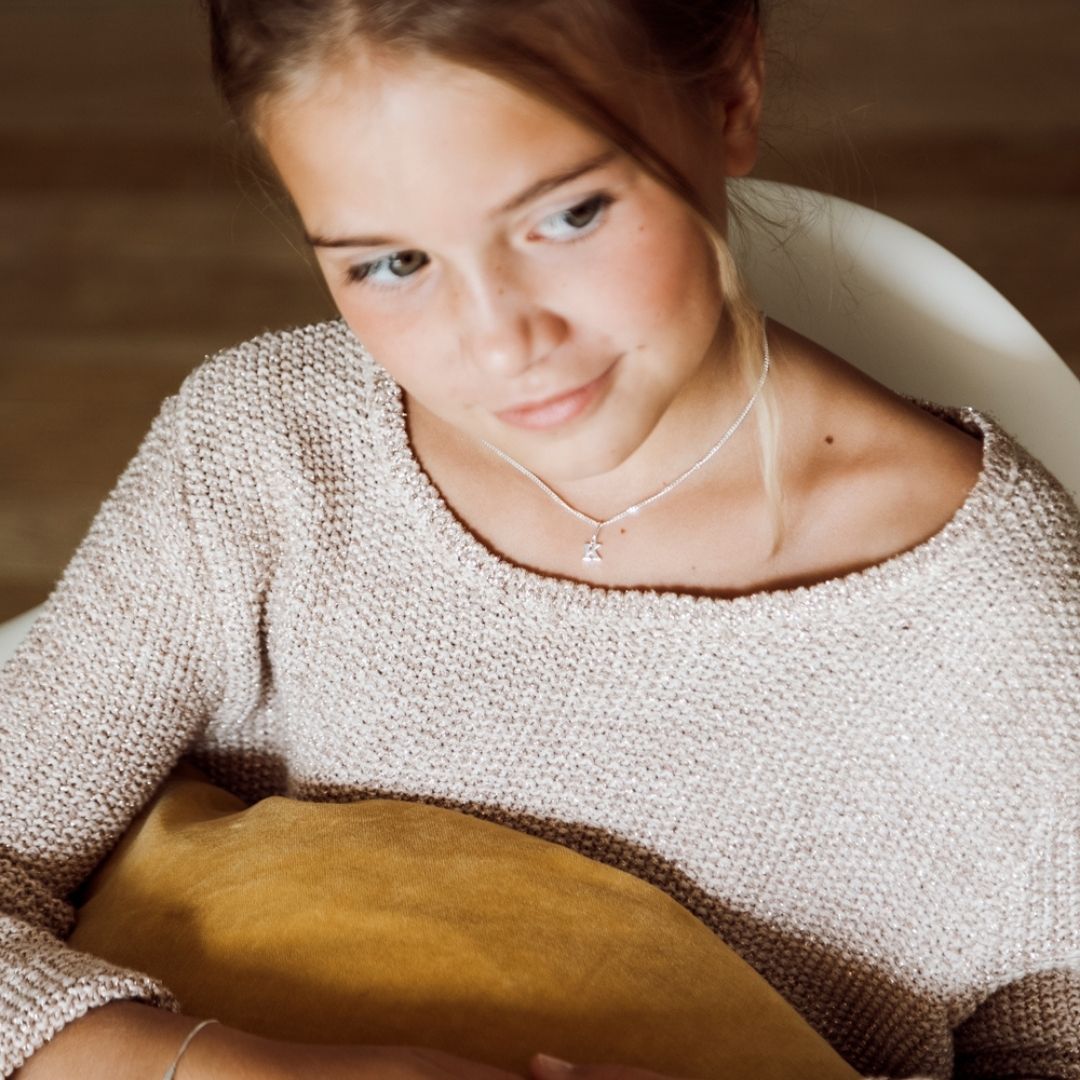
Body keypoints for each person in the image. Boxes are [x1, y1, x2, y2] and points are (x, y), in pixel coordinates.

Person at [2, 0, 1078, 1077]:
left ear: (729, 96)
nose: (502, 342)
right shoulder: (265, 453)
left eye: (568, 216)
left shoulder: (1016, 636)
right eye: (392, 263)